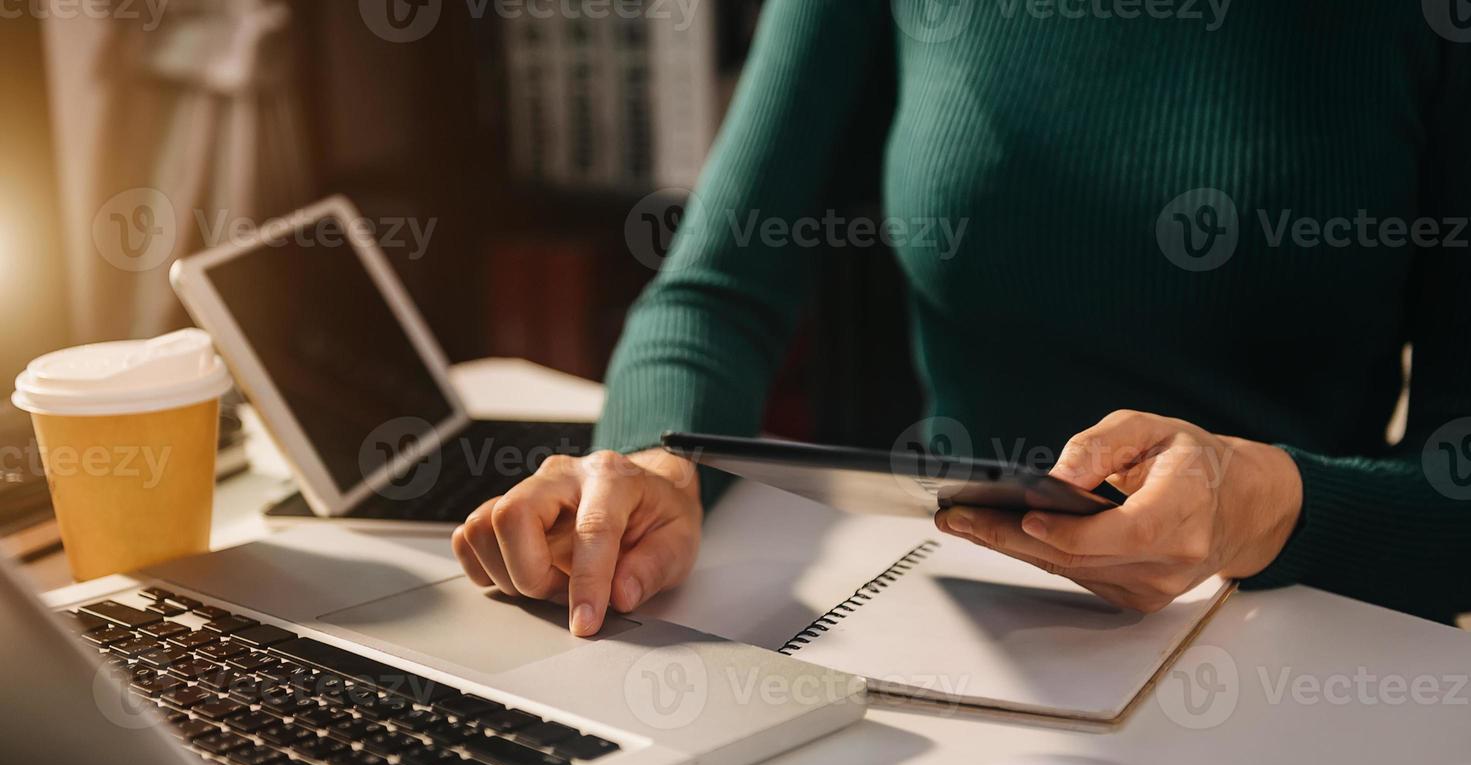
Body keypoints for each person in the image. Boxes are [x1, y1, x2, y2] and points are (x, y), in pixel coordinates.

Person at [454, 1, 1471, 632]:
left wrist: (1255, 504)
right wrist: (646, 465)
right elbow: (713, 290)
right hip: (944, 628)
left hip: (1289, 646)